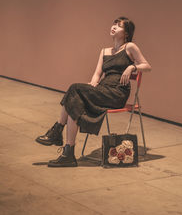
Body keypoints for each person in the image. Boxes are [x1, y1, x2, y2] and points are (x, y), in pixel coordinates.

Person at [35, 17, 151, 167]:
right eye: (114, 24)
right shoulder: (104, 51)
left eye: (119, 26)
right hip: (103, 89)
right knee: (75, 100)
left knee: (74, 89)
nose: (114, 27)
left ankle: (57, 133)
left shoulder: (130, 47)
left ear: (127, 33)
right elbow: (97, 74)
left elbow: (147, 66)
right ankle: (67, 153)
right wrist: (91, 86)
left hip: (117, 93)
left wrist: (132, 67)